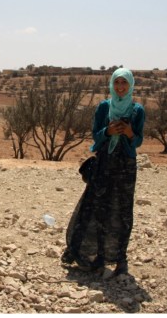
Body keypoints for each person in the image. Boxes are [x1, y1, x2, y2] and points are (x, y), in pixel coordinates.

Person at [62, 68, 145, 277]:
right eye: (116, 83)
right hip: (104, 164)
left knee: (123, 211)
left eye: (124, 83)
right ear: (111, 84)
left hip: (126, 166)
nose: (120, 87)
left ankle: (120, 258)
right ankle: (90, 254)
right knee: (96, 207)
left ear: (130, 85)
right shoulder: (104, 107)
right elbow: (95, 136)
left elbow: (139, 141)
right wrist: (107, 131)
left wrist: (129, 133)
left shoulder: (137, 110)